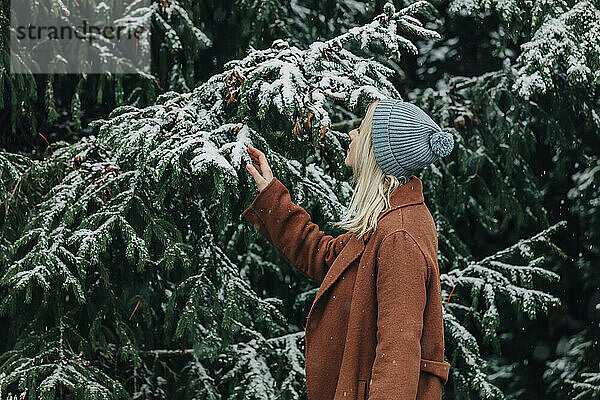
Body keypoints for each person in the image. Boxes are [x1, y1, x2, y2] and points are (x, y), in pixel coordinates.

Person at [243, 98, 454, 400]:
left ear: (378, 152)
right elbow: (325, 257)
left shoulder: (399, 235)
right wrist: (271, 196)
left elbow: (398, 352)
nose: (351, 134)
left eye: (362, 130)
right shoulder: (386, 218)